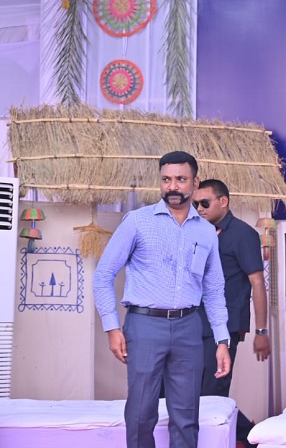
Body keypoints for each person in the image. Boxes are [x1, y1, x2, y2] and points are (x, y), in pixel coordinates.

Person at [93, 151, 231, 448]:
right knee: (141, 412)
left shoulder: (206, 232)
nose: (173, 186)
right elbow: (103, 275)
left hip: (189, 327)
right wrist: (112, 327)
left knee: (186, 415)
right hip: (145, 325)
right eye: (166, 179)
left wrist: (222, 340)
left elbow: (214, 289)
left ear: (195, 183)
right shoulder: (137, 222)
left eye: (181, 179)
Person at [192, 179, 271, 448]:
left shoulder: (243, 234)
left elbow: (257, 283)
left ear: (223, 201)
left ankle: (252, 437)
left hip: (223, 327)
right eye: (195, 204)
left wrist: (262, 331)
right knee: (190, 393)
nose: (199, 209)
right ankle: (253, 435)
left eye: (204, 203)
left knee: (212, 395)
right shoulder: (197, 232)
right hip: (193, 323)